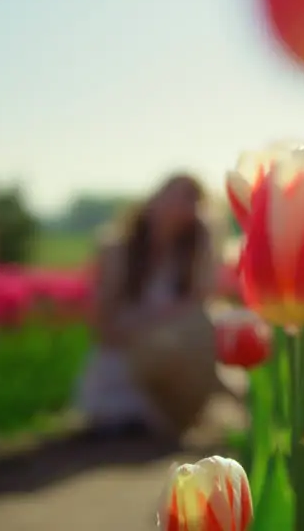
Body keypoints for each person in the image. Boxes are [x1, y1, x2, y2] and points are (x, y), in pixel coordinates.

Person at [75, 173, 218, 438]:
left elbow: (203, 300)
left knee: (207, 324)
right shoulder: (117, 247)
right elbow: (104, 326)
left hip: (169, 363)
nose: (180, 206)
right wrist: (158, 323)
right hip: (124, 362)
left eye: (191, 201)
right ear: (155, 198)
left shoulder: (187, 257)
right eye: (174, 195)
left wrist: (208, 239)